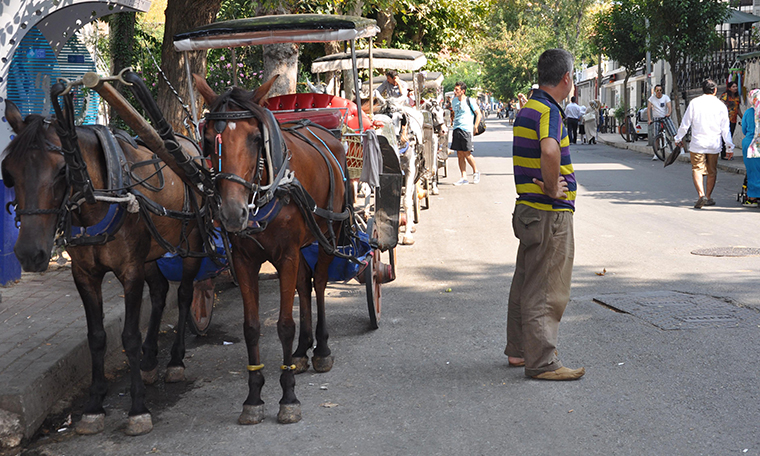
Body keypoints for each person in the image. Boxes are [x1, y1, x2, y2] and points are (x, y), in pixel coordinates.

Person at [505, 48, 585, 381]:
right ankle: (542, 362)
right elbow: (550, 149)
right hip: (548, 211)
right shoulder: (550, 110)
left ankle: (519, 351)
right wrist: (554, 188)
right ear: (566, 78)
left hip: (528, 210)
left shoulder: (528, 108)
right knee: (548, 288)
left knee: (525, 281)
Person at [674, 79, 735, 209]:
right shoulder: (721, 106)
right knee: (712, 171)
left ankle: (701, 195)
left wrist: (678, 138)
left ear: (702, 89)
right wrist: (729, 147)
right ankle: (708, 196)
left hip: (698, 144)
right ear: (715, 90)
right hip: (714, 144)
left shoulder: (694, 103)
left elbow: (685, 124)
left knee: (697, 169)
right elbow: (725, 129)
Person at [449, 81, 481, 185]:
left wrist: (475, 126)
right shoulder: (454, 101)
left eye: (457, 90)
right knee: (459, 154)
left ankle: (476, 172)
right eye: (455, 89)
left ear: (463, 91)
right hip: (456, 128)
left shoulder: (469, 100)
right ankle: (463, 177)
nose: (455, 91)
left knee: (467, 153)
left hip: (466, 129)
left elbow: (478, 114)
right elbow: (453, 113)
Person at [647, 84, 677, 160]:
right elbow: (648, 109)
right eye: (657, 90)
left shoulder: (666, 97)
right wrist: (650, 119)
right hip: (656, 119)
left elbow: (669, 107)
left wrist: (669, 113)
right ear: (655, 91)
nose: (659, 92)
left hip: (665, 117)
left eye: (660, 90)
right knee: (656, 137)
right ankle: (656, 153)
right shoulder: (652, 99)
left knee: (674, 133)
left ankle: (681, 148)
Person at [742, 89, 760, 206]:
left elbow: (744, 129)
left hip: (751, 144)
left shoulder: (749, 112)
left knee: (753, 171)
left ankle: (752, 198)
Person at [719, 81, 743, 159]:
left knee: (730, 135)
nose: (735, 88)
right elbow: (720, 107)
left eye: (736, 86)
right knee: (724, 136)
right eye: (733, 87)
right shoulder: (725, 96)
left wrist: (743, 117)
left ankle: (728, 153)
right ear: (729, 88)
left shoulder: (737, 97)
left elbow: (738, 109)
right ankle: (723, 154)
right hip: (725, 119)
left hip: (733, 119)